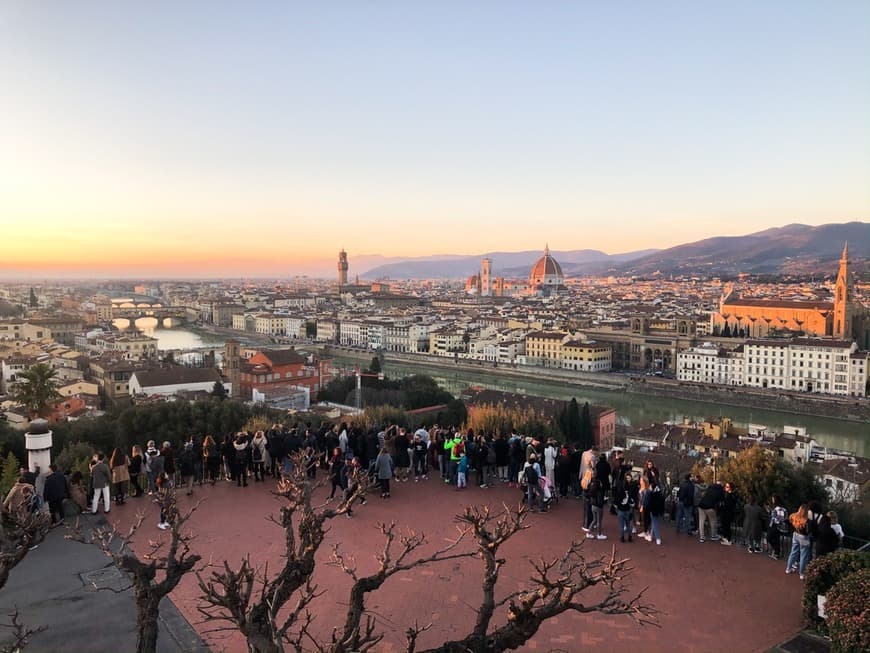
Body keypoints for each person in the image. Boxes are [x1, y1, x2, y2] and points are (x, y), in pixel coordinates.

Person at [786, 504, 812, 580]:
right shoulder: (807, 520)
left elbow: (789, 520)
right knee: (804, 555)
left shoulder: (794, 516)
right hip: (804, 537)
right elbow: (808, 531)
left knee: (793, 552)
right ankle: (802, 573)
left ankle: (788, 568)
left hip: (795, 534)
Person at [613, 471, 637, 543]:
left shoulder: (621, 489)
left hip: (621, 509)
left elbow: (617, 499)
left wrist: (616, 505)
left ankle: (622, 537)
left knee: (621, 525)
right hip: (627, 509)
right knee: (628, 525)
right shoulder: (632, 488)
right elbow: (633, 499)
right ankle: (629, 537)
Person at [766, 495, 789, 560]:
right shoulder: (780, 508)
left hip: (775, 525)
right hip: (777, 526)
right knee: (776, 540)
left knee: (769, 538)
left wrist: (773, 515)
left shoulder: (779, 508)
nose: (772, 500)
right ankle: (776, 553)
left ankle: (776, 552)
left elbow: (779, 518)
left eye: (773, 499)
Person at [643, 479, 665, 545]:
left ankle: (658, 538)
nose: (649, 488)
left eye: (650, 487)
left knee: (655, 524)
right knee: (654, 523)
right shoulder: (660, 493)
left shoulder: (652, 494)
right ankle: (651, 536)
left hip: (653, 511)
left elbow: (649, 503)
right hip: (659, 511)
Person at [587, 468, 607, 540]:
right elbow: (600, 493)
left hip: (593, 504)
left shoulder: (591, 482)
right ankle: (599, 534)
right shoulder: (598, 483)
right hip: (598, 505)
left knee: (594, 520)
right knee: (599, 521)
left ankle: (589, 533)